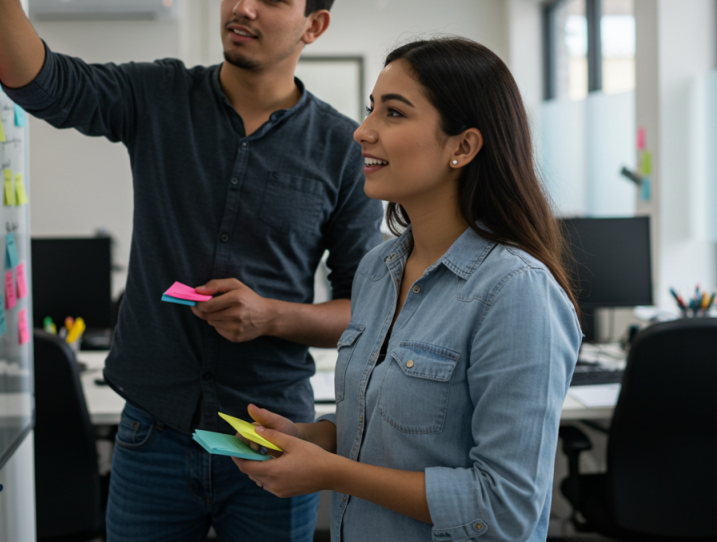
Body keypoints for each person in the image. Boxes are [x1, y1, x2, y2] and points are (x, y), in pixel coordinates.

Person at [0, 0, 382, 541]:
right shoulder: (160, 94)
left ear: (313, 25)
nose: (243, 7)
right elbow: (40, 81)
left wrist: (271, 315)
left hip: (271, 436)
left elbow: (365, 312)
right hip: (152, 431)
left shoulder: (342, 148)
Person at [233, 37, 583, 542]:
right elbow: (387, 429)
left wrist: (331, 473)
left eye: (394, 113)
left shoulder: (515, 292)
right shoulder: (378, 269)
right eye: (371, 108)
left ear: (462, 147)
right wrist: (311, 437)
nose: (362, 131)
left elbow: (504, 510)